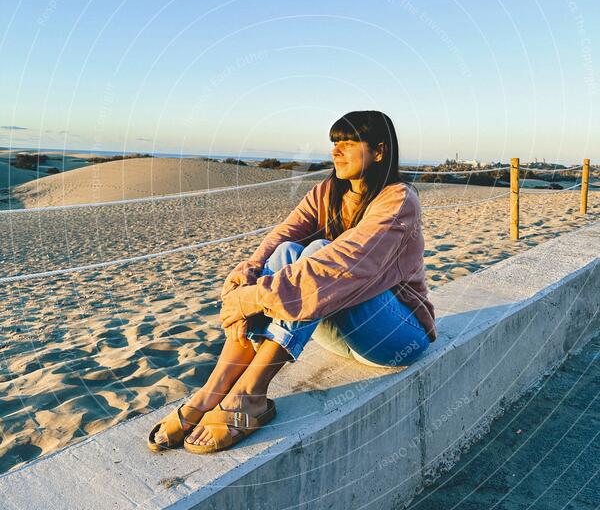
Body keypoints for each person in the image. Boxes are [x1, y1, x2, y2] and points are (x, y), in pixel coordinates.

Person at [148, 110, 436, 454]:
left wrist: (253, 299)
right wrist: (247, 277)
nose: (336, 150)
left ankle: (250, 394)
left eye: (347, 141)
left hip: (394, 337)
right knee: (287, 251)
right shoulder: (328, 192)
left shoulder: (398, 200)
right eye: (334, 142)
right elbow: (283, 235)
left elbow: (342, 265)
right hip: (334, 330)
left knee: (319, 251)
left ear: (379, 150)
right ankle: (213, 391)